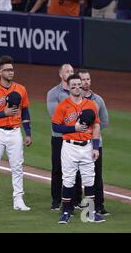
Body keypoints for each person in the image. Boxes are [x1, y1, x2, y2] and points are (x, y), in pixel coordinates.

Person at [0, 55, 32, 213]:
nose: (11, 72)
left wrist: (28, 133)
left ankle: (18, 200)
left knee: (17, 167)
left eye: (12, 69)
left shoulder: (21, 89)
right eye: (7, 70)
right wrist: (4, 113)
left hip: (15, 132)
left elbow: (25, 113)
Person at [51, 74, 106, 224]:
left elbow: (96, 125)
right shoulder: (62, 105)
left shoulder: (91, 105)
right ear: (68, 87)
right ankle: (66, 211)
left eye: (78, 85)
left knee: (89, 180)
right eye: (73, 85)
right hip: (69, 147)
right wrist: (72, 128)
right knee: (68, 180)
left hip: (87, 146)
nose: (76, 87)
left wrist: (95, 147)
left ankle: (91, 212)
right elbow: (55, 126)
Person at [46, 64, 82, 211]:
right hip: (59, 137)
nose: (70, 73)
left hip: (77, 137)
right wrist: (74, 121)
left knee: (77, 168)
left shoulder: (80, 93)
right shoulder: (53, 93)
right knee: (58, 169)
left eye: (72, 71)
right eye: (67, 71)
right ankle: (56, 200)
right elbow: (55, 116)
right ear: (61, 75)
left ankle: (76, 200)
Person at [77, 69, 110, 216]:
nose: (86, 82)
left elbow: (104, 121)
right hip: (77, 143)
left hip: (95, 143)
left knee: (97, 175)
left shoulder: (98, 100)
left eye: (88, 79)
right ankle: (74, 203)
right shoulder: (73, 100)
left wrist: (91, 129)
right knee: (76, 174)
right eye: (83, 79)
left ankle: (99, 206)